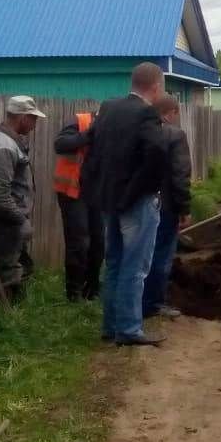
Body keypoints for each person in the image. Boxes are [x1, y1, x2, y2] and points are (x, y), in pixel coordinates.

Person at [82, 62, 169, 346]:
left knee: (115, 263)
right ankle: (129, 330)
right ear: (156, 87)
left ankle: (110, 326)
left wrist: (101, 189)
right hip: (136, 203)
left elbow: (92, 149)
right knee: (136, 266)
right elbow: (157, 153)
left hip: (108, 201)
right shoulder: (147, 114)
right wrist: (139, 190)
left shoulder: (108, 108)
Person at [0, 96, 46, 300]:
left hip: (11, 218)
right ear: (22, 117)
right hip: (7, 220)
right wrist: (20, 220)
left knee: (19, 267)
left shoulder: (6, 139)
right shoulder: (4, 146)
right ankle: (1, 319)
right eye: (33, 119)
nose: (35, 125)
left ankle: (14, 316)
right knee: (7, 272)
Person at [142, 94, 191, 320]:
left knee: (141, 254)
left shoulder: (139, 131)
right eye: (175, 114)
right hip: (166, 205)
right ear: (170, 112)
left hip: (140, 203)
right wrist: (184, 209)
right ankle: (153, 304)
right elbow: (180, 175)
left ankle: (137, 302)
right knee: (161, 254)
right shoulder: (174, 135)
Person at [53, 109, 104, 301]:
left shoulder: (114, 129)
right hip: (72, 191)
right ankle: (74, 293)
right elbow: (60, 144)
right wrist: (89, 134)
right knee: (79, 242)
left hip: (95, 193)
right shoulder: (81, 121)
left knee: (99, 242)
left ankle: (92, 289)